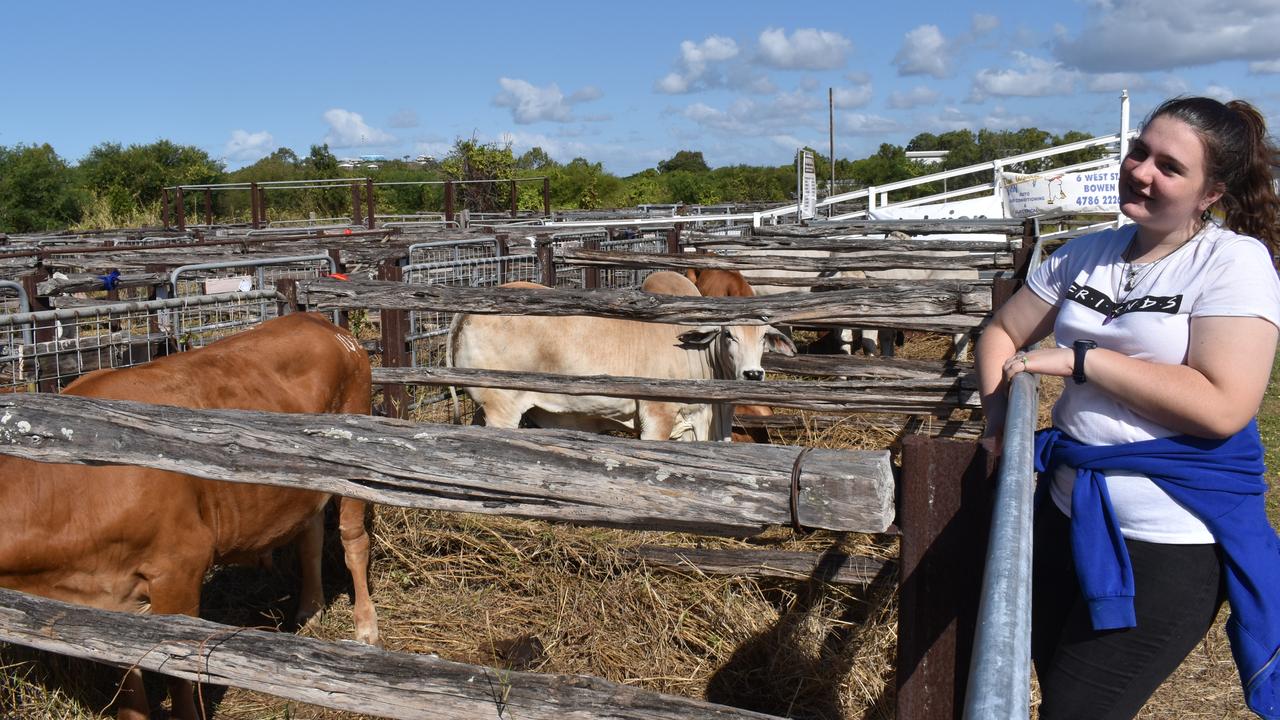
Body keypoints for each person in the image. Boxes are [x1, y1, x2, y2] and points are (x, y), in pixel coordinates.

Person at [976, 96, 1280, 719]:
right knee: (1052, 683)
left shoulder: (1232, 263)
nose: (1141, 171)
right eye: (1140, 151)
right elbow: (1001, 334)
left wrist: (1085, 360)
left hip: (1168, 539)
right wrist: (999, 430)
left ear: (1210, 192)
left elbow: (1224, 405)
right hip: (1062, 513)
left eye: (1170, 167)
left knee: (1080, 705)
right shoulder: (1086, 252)